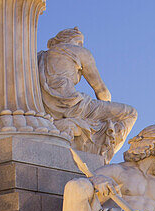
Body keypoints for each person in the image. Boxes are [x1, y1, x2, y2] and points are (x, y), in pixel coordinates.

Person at [38, 27, 137, 160]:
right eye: (80, 42)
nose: (81, 45)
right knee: (130, 113)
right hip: (74, 105)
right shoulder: (79, 51)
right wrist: (104, 112)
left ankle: (89, 137)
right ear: (75, 42)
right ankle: (105, 154)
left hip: (46, 108)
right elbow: (101, 90)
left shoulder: (39, 56)